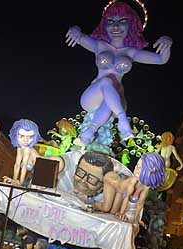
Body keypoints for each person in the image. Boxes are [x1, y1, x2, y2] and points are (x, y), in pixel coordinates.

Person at [66, 2, 172, 148]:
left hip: (118, 99)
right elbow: (78, 36)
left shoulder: (131, 52)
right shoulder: (99, 45)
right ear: (105, 25)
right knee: (106, 82)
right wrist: (75, 28)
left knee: (111, 93)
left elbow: (161, 59)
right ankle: (123, 122)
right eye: (110, 21)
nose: (115, 26)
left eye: (122, 21)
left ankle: (89, 134)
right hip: (92, 97)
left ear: (132, 24)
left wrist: (167, 41)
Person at [93, 152, 166, 223]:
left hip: (120, 192)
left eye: (142, 168)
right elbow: (126, 198)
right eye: (137, 166)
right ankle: (90, 204)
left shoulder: (146, 187)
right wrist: (121, 213)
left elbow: (140, 204)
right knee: (106, 208)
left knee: (112, 212)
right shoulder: (133, 182)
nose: (136, 170)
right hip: (112, 180)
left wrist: (136, 219)